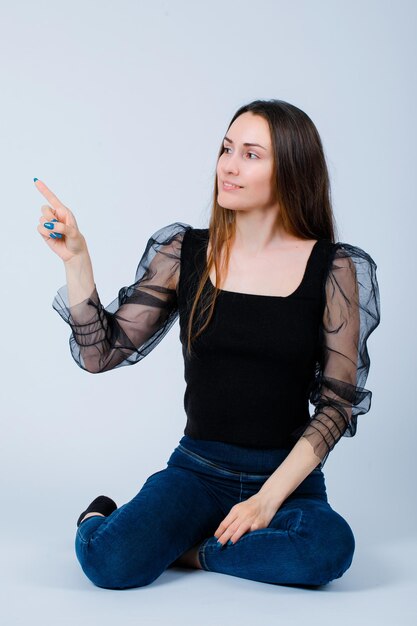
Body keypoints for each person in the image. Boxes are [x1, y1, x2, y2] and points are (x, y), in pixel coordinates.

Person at [35, 99, 381, 590]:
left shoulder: (335, 270)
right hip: (197, 471)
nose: (229, 166)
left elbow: (336, 407)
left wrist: (265, 502)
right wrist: (76, 258)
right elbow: (101, 353)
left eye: (251, 154)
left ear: (291, 171)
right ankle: (106, 518)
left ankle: (193, 552)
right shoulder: (186, 252)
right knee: (108, 561)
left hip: (288, 481)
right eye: (226, 149)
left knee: (328, 548)